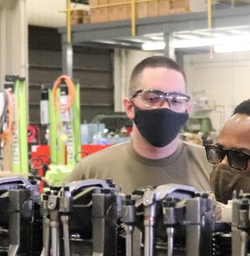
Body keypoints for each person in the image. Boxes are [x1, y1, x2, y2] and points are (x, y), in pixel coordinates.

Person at [65, 55, 210, 193]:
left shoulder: (213, 168)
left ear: (187, 109)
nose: (165, 108)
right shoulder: (90, 172)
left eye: (176, 100)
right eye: (152, 99)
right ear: (129, 107)